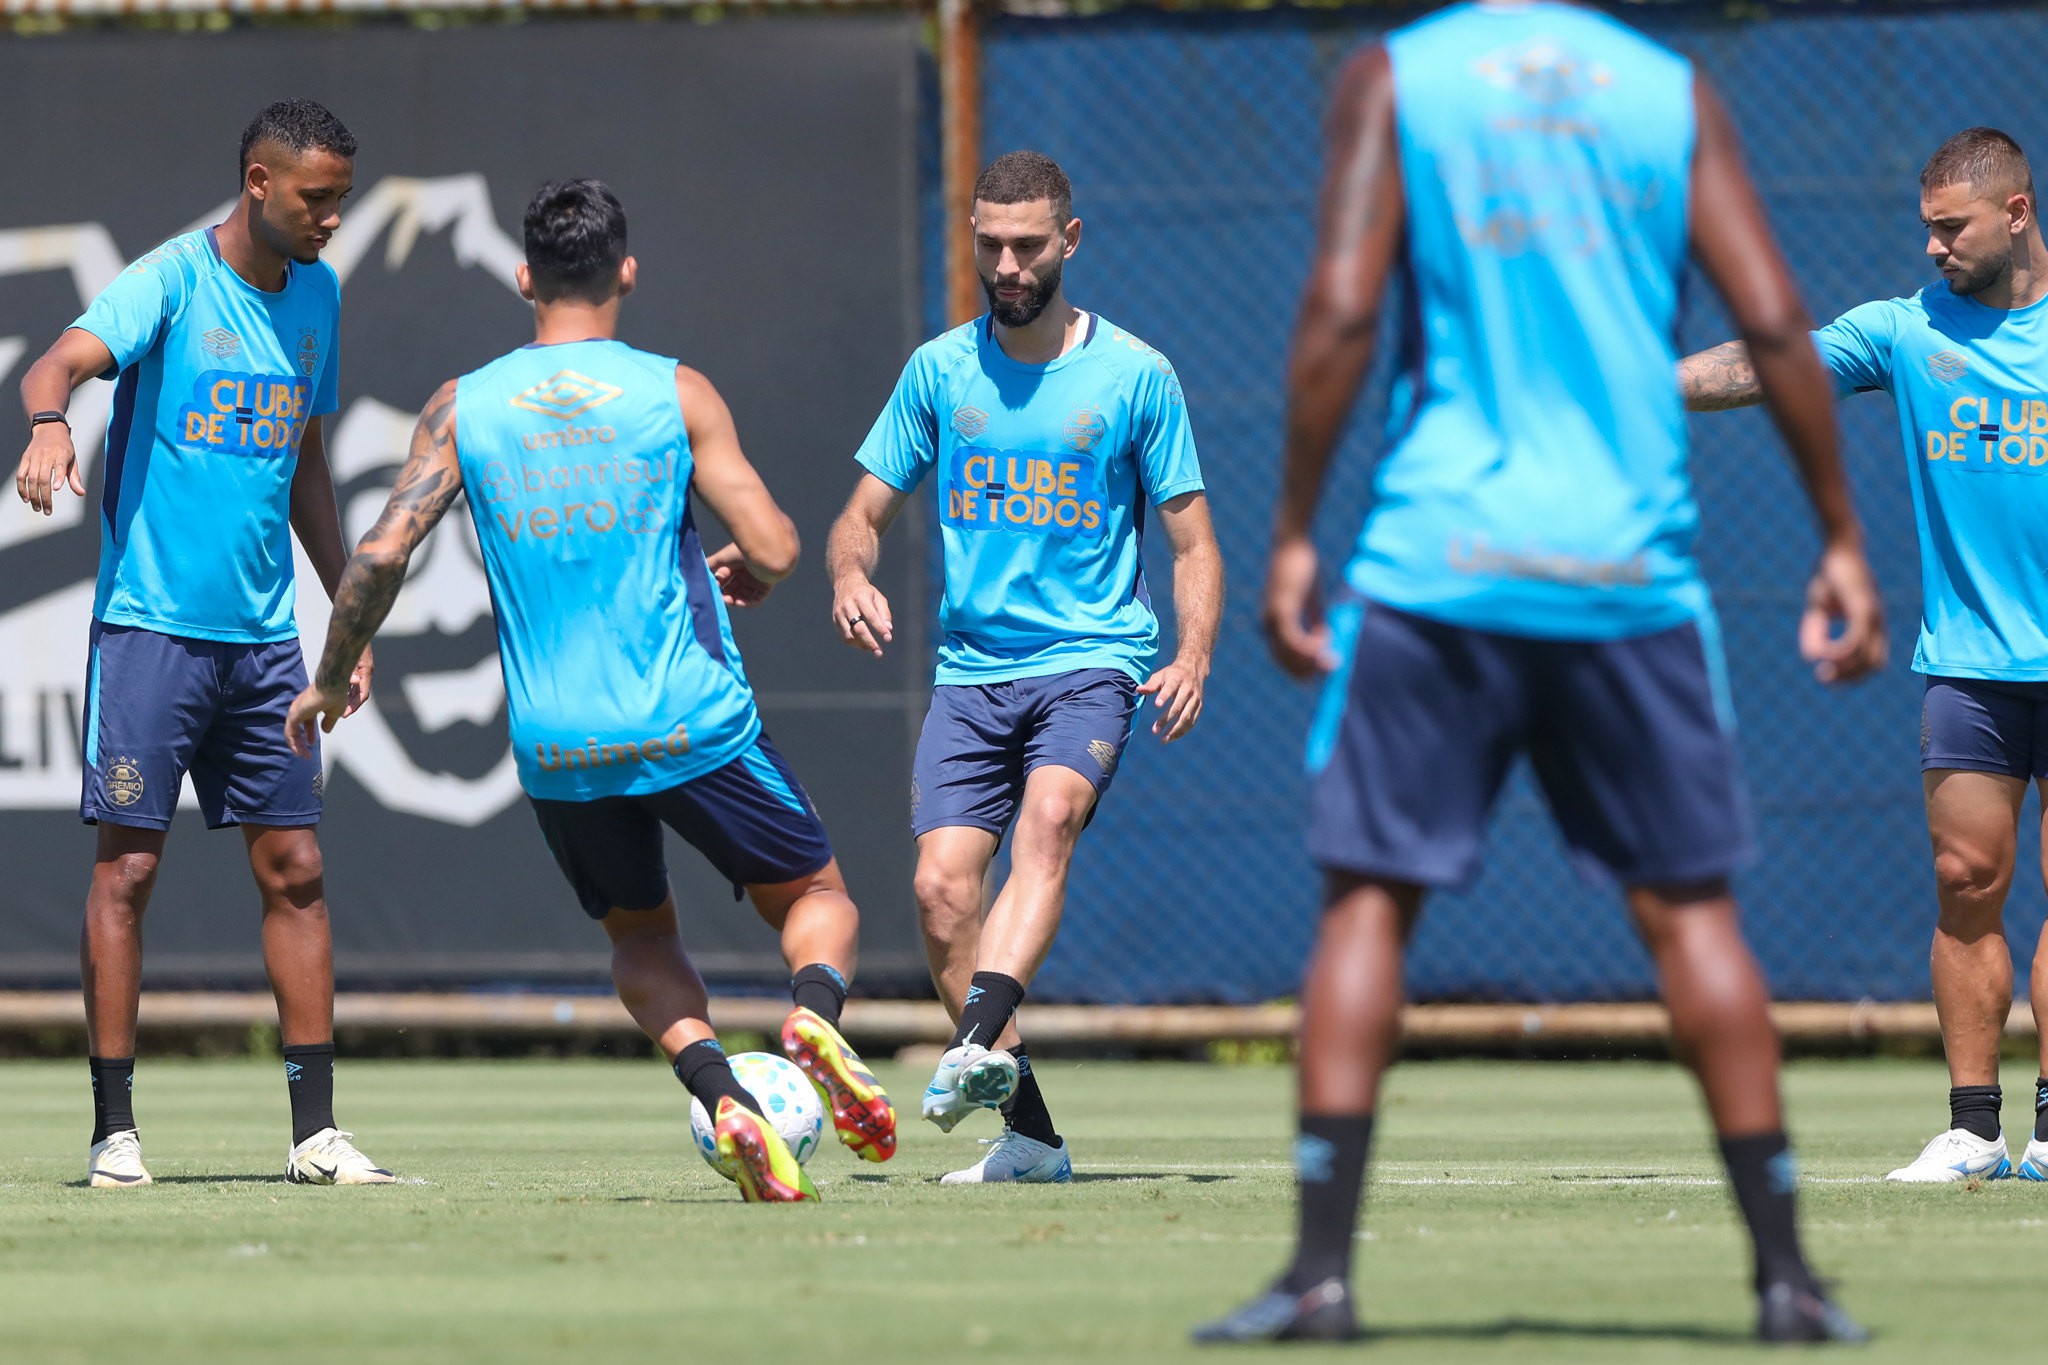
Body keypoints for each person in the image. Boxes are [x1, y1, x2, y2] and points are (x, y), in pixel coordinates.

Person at [1196, 1, 1884, 1344]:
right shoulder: (1669, 93)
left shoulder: (1398, 77)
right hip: (1626, 573)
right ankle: (1787, 1283)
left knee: (1366, 906)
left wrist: (1288, 532)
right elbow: (1774, 319)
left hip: (1436, 565)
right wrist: (1840, 536)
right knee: (1692, 919)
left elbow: (1340, 308)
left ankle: (1320, 1279)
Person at [286, 178, 894, 1203]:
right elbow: (780, 544)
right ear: (627, 272)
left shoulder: (463, 405)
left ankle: (721, 1094)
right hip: (691, 720)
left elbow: (382, 552)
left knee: (642, 936)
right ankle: (813, 1020)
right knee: (818, 897)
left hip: (560, 745)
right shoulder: (674, 392)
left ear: (525, 278)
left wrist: (334, 671)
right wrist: (754, 566)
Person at [12, 99, 391, 1189]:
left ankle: (316, 1134)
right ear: (259, 183)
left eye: (342, 199)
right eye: (316, 198)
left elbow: (305, 460)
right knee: (127, 871)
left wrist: (348, 615)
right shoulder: (170, 281)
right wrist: (48, 426)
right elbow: (55, 366)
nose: (331, 218)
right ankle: (114, 1132)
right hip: (151, 632)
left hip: (266, 644)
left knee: (298, 869)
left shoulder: (318, 293)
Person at [826, 150, 1224, 1184]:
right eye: (990, 244)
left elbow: (1192, 543)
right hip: (971, 675)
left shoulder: (1135, 375)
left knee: (1047, 824)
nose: (1006, 266)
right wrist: (850, 574)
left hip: (1091, 661)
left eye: (1028, 245)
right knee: (939, 892)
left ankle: (970, 1043)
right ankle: (1032, 1136)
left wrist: (1191, 653)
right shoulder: (938, 372)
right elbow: (859, 516)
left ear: (1070, 241)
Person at [1682, 127, 2048, 1185]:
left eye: (1951, 227)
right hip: (1969, 665)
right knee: (1963, 882)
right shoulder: (1902, 329)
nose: (1933, 246)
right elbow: (1771, 363)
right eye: (1926, 228)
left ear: (2015, 212)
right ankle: (1973, 1132)